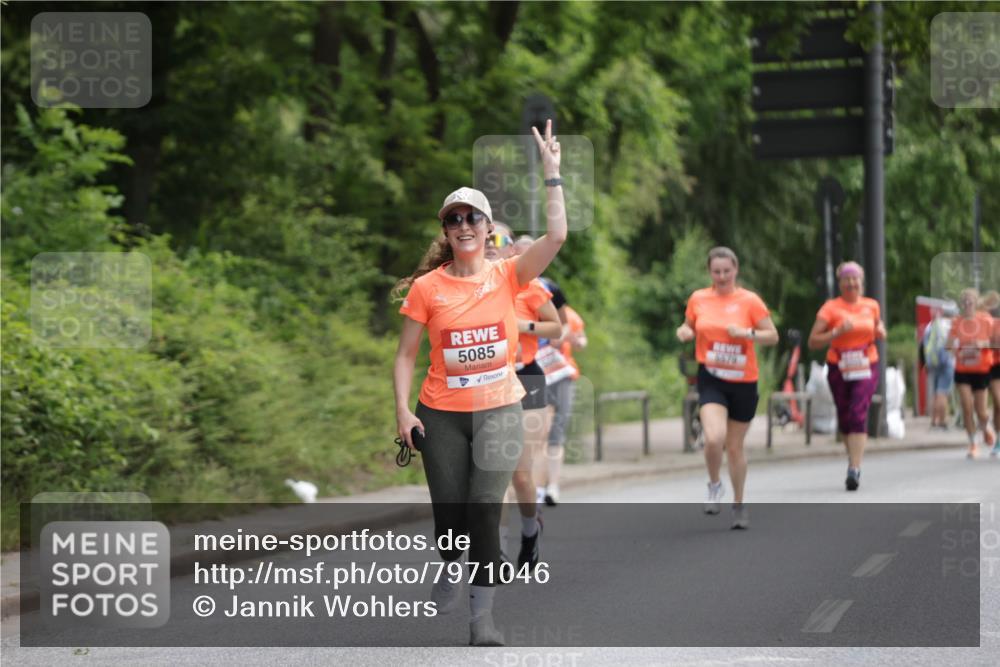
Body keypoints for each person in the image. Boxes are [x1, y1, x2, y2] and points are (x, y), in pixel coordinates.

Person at [392, 121, 565, 646]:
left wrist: (552, 175)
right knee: (451, 515)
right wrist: (404, 412)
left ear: (487, 228)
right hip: (441, 412)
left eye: (472, 217)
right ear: (446, 231)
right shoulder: (426, 288)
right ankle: (448, 561)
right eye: (454, 218)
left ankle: (481, 618)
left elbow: (556, 236)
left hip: (499, 407)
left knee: (484, 508)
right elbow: (405, 356)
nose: (463, 224)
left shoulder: (509, 274)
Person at [676, 247, 778, 529]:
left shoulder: (750, 301)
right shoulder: (699, 298)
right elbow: (689, 325)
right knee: (713, 437)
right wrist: (685, 331)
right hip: (711, 377)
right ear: (709, 272)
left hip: (744, 381)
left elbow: (773, 336)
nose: (721, 276)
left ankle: (739, 503)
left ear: (736, 270)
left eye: (726, 271)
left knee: (734, 447)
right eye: (716, 271)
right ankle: (714, 484)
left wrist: (747, 333)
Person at [486, 222, 561, 572]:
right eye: (485, 238)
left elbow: (556, 328)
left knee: (520, 473)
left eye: (498, 239)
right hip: (489, 383)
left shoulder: (528, 287)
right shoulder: (471, 288)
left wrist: (524, 327)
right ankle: (498, 549)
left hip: (526, 378)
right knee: (496, 470)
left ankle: (530, 531)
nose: (490, 244)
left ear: (512, 248)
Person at [807, 261, 887, 490]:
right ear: (840, 283)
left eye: (855, 279)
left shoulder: (871, 305)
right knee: (844, 417)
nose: (852, 283)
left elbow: (879, 328)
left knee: (858, 411)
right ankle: (852, 458)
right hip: (838, 365)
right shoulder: (830, 308)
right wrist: (836, 332)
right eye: (847, 279)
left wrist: (881, 331)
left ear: (861, 282)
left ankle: (855, 467)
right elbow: (813, 341)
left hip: (866, 363)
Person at [542, 303, 586, 505]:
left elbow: (581, 340)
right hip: (536, 377)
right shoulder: (525, 308)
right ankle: (539, 487)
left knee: (556, 432)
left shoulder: (568, 314)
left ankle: (552, 486)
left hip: (561, 375)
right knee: (540, 431)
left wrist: (575, 340)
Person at [948, 288, 995, 458]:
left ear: (976, 303)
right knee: (967, 407)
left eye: (970, 302)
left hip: (981, 370)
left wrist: (983, 343)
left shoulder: (985, 320)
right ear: (961, 305)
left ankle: (985, 427)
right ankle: (973, 443)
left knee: (981, 410)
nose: (967, 305)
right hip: (963, 370)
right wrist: (955, 351)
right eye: (965, 302)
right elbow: (949, 344)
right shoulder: (956, 322)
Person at [921, 304, 956, 430]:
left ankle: (933, 420)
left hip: (932, 362)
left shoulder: (931, 325)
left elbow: (924, 345)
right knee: (943, 392)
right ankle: (942, 421)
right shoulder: (950, 326)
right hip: (946, 362)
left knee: (935, 392)